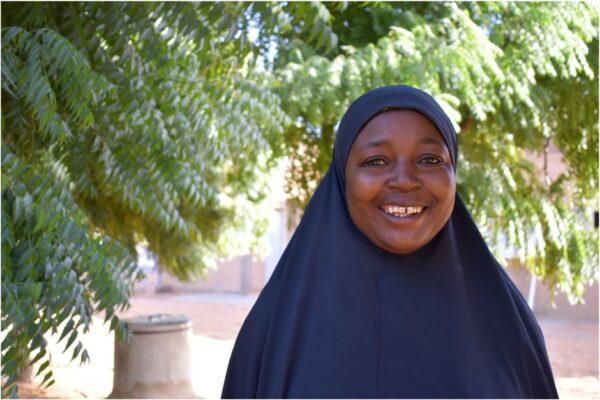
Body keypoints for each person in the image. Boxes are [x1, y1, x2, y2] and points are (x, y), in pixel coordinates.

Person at [222, 85, 558, 399]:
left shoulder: (509, 326)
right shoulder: (273, 332)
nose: (404, 181)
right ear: (343, 177)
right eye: (376, 161)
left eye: (429, 160)